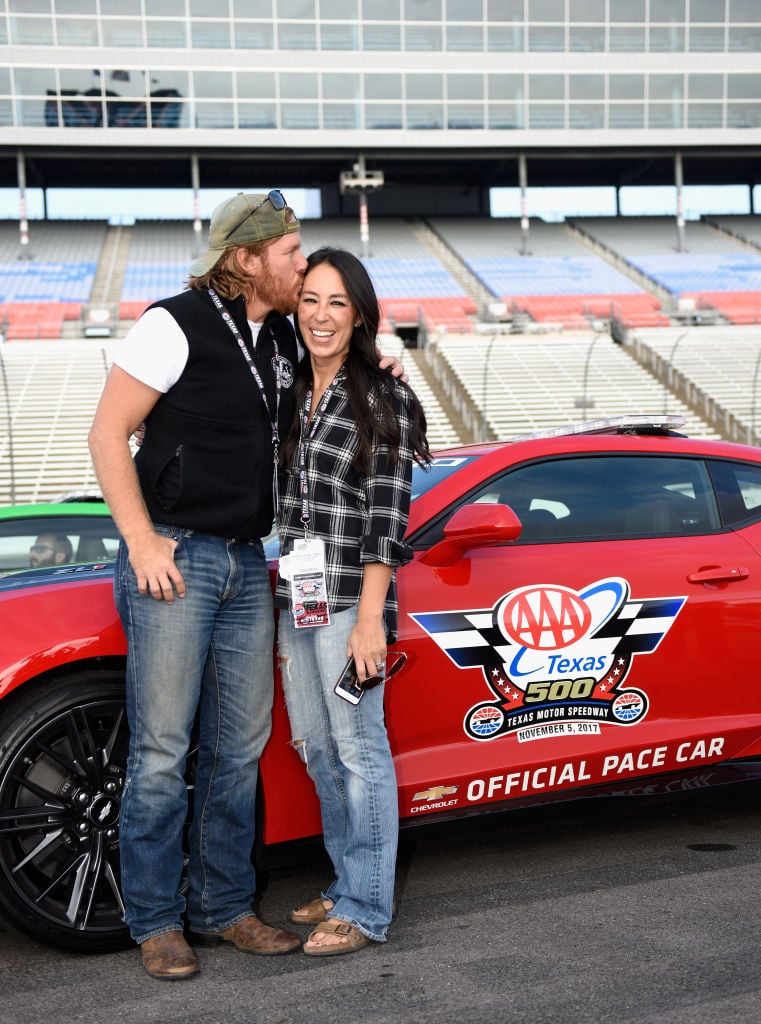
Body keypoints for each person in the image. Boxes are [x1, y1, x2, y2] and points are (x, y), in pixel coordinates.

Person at [88, 191, 405, 982]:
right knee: (163, 753)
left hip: (247, 564)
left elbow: (350, 370)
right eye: (293, 254)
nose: (302, 268)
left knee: (238, 751)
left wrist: (385, 357)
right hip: (178, 559)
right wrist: (141, 539)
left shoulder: (280, 342)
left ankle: (224, 906)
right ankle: (158, 921)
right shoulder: (172, 323)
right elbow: (105, 432)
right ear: (247, 259)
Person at [275, 247, 430, 957]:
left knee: (357, 746)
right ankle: (343, 881)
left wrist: (371, 619)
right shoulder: (290, 385)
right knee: (315, 747)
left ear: (359, 313)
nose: (321, 315)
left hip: (347, 601)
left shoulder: (382, 395)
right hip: (296, 593)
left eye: (337, 302)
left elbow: (386, 516)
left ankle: (367, 907)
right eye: (310, 299)